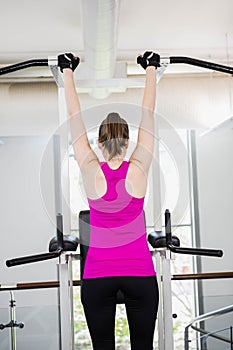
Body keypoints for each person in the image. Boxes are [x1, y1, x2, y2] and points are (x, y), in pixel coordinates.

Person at [58, 51, 160, 350]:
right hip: (139, 274)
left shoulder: (90, 169)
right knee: (143, 346)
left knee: (103, 346)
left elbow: (75, 121)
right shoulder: (138, 169)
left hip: (98, 276)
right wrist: (150, 68)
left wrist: (67, 71)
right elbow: (148, 116)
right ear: (128, 142)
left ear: (99, 142)